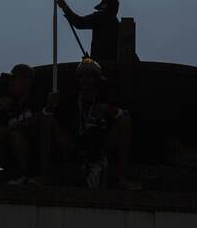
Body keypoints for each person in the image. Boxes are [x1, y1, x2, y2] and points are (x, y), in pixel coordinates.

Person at [40, 58, 140, 189]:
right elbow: (47, 116)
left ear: (97, 80)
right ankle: (43, 175)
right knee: (48, 121)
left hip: (100, 146)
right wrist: (50, 105)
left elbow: (124, 115)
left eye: (90, 76)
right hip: (74, 145)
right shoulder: (69, 99)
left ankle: (122, 177)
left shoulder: (107, 96)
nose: (86, 80)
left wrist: (107, 109)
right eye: (82, 76)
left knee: (125, 120)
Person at [0, 64, 43, 184]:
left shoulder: (37, 101)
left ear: (27, 81)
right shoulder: (7, 105)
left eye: (14, 79)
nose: (10, 83)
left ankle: (24, 174)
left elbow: (38, 124)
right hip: (11, 155)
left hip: (35, 153)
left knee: (17, 136)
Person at [56, 0, 120, 61]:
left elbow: (79, 22)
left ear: (104, 6)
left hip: (101, 65)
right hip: (112, 65)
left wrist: (65, 7)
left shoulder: (101, 16)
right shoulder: (116, 24)